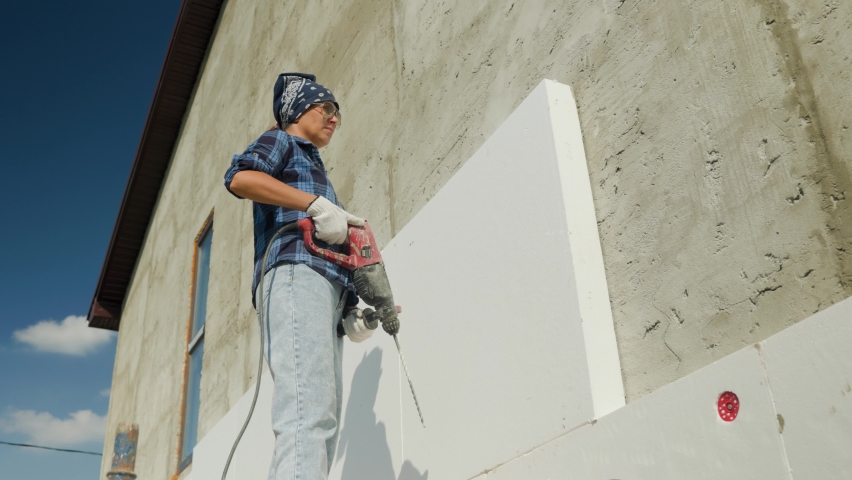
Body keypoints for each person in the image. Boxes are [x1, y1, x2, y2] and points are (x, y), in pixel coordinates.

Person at [223, 72, 374, 480]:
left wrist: (350, 314)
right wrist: (314, 204)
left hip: (322, 288)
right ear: (297, 109)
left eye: (337, 111)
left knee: (323, 422)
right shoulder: (281, 140)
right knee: (306, 412)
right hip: (293, 274)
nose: (334, 117)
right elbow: (240, 177)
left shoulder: (315, 169)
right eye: (326, 107)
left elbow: (331, 250)